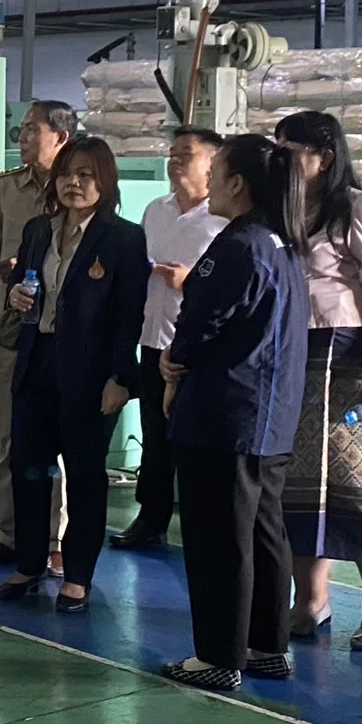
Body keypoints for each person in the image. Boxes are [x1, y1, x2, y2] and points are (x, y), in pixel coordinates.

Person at [159, 134, 309, 690]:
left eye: (216, 171)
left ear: (237, 184)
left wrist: (174, 362)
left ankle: (219, 656)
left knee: (219, 537)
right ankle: (267, 645)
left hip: (225, 416)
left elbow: (202, 321)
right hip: (269, 416)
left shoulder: (238, 246)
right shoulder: (283, 244)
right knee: (264, 533)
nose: (209, 181)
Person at [275, 110, 362, 652]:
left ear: (324, 158)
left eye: (289, 150)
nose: (279, 158)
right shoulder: (282, 210)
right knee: (299, 483)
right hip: (295, 358)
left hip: (354, 358)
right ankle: (310, 599)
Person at [0, 136, 149, 613]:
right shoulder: (38, 230)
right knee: (28, 468)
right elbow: (25, 283)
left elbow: (130, 315)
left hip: (91, 374)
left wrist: (121, 378)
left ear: (105, 182)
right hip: (37, 361)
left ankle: (78, 574)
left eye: (85, 175)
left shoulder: (123, 239)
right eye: (66, 174)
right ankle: (30, 563)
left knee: (83, 476)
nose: (73, 183)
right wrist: (17, 295)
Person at [0, 101, 75, 575]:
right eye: (23, 129)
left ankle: (55, 539)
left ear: (60, 137)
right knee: (9, 440)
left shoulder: (76, 189)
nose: (24, 136)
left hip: (59, 336)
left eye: (33, 129)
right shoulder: (9, 188)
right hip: (11, 333)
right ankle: (7, 534)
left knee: (56, 445)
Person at [112, 127, 228, 550]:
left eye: (187, 154)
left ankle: (203, 527)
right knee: (155, 436)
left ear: (212, 164)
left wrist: (189, 281)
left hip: (198, 347)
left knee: (197, 442)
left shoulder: (224, 220)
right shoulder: (155, 211)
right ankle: (151, 518)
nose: (175, 160)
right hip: (154, 338)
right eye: (172, 153)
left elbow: (233, 285)